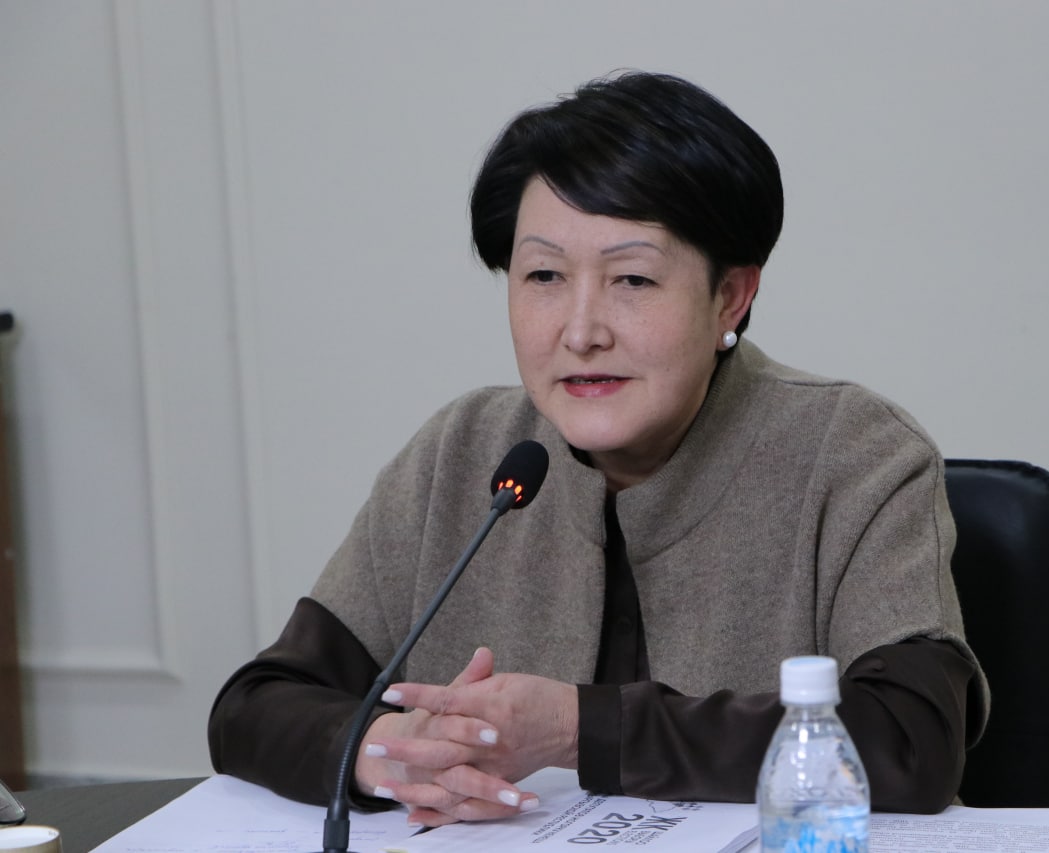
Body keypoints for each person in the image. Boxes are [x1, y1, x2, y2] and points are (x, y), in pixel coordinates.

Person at [208, 71, 988, 830]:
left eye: (633, 280)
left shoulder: (855, 454)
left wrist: (576, 728)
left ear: (731, 296)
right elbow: (255, 704)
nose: (580, 332)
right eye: (544, 275)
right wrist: (389, 750)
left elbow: (909, 740)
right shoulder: (464, 452)